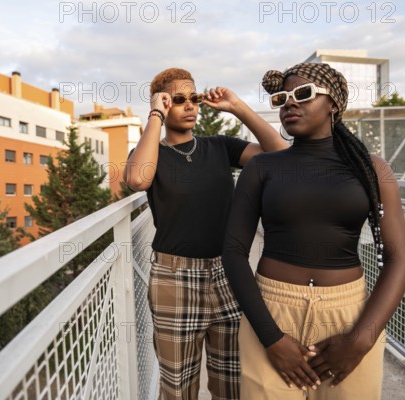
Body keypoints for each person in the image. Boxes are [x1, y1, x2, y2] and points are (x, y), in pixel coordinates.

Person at [222, 63, 405, 400]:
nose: (290, 104)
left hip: (349, 317)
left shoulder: (372, 169)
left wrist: (360, 341)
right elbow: (234, 253)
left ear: (333, 104)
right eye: (282, 98)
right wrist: (271, 338)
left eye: (304, 94)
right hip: (271, 313)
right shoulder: (262, 167)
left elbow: (397, 260)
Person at [124, 67, 288, 400]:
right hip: (174, 279)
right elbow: (138, 180)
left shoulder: (219, 147)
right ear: (164, 104)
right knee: (177, 385)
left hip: (229, 274)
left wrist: (237, 107)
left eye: (194, 98)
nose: (189, 106)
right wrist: (155, 112)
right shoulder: (150, 154)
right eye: (178, 100)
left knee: (232, 383)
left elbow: (279, 153)